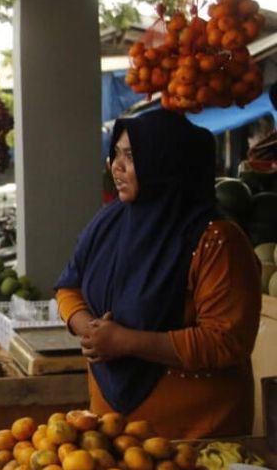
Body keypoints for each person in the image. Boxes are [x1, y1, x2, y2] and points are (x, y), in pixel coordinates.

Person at [55, 109, 261, 439]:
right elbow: (69, 285)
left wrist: (125, 341)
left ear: (167, 163)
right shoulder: (109, 222)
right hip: (111, 435)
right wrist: (90, 331)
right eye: (116, 154)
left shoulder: (217, 241)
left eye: (131, 156)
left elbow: (226, 341)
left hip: (196, 444)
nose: (115, 166)